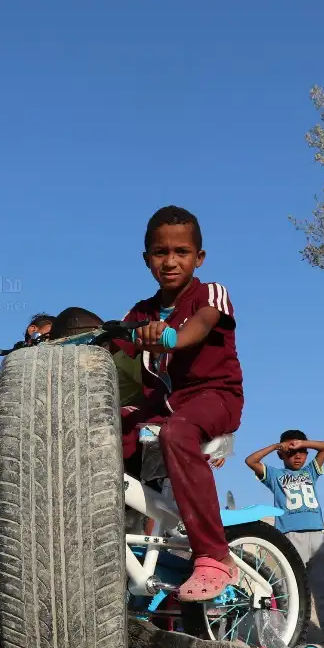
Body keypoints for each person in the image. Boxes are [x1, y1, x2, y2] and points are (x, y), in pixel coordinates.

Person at [112, 205, 243, 602]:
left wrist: (169, 337)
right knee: (104, 433)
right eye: (160, 252)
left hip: (213, 396)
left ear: (198, 257)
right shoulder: (140, 312)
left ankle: (214, 555)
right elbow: (110, 343)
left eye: (181, 252)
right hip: (163, 405)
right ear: (146, 258)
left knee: (177, 432)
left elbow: (199, 326)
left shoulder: (211, 293)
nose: (170, 261)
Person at [244, 430, 324, 648]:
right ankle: (290, 634)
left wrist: (303, 443)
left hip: (317, 536)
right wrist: (276, 446)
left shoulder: (310, 472)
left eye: (302, 451)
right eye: (291, 452)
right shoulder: (274, 475)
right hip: (291, 536)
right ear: (281, 455)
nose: (297, 455)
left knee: (322, 588)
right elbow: (251, 460)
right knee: (290, 588)